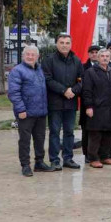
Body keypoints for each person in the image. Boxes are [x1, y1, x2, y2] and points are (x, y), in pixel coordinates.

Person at [8, 46, 53, 176]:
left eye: (33, 54)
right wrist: (20, 109)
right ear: (23, 56)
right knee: (25, 141)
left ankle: (39, 163)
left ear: (37, 57)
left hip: (40, 112)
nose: (30, 56)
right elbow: (13, 93)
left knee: (40, 139)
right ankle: (25, 165)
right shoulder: (17, 71)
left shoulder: (39, 70)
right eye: (27, 54)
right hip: (25, 113)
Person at [42, 34, 83, 170]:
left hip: (71, 103)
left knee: (69, 132)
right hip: (55, 103)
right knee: (54, 132)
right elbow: (47, 79)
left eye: (67, 43)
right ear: (56, 44)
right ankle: (54, 160)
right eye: (61, 42)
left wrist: (74, 90)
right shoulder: (49, 60)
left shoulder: (76, 61)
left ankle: (68, 158)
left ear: (71, 44)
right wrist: (64, 90)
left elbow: (81, 80)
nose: (64, 45)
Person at [82, 49, 111, 169]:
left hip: (110, 108)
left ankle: (105, 156)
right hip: (96, 108)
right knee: (95, 133)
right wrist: (89, 106)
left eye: (107, 56)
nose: (105, 58)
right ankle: (93, 158)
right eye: (102, 56)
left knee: (108, 133)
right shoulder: (91, 72)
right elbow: (87, 91)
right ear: (98, 58)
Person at [79, 45, 100, 162]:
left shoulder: (104, 67)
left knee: (98, 129)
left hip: (101, 104)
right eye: (92, 52)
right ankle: (86, 153)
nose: (94, 54)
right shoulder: (83, 67)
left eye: (97, 52)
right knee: (86, 129)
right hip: (87, 103)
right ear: (88, 54)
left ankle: (98, 152)